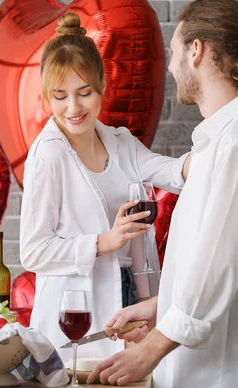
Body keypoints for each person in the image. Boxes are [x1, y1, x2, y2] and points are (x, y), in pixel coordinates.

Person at [87, 1, 238, 388]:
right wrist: (160, 307)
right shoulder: (225, 142)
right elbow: (221, 264)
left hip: (224, 385)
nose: (169, 67)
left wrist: (151, 348)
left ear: (196, 50)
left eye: (174, 49)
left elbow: (216, 271)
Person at [19, 12, 191, 365]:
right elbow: (33, 252)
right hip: (74, 314)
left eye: (83, 93)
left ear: (101, 87)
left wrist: (219, 145)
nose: (73, 108)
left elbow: (174, 172)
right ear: (47, 97)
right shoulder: (49, 154)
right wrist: (103, 242)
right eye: (60, 96)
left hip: (130, 300)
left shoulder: (119, 141)